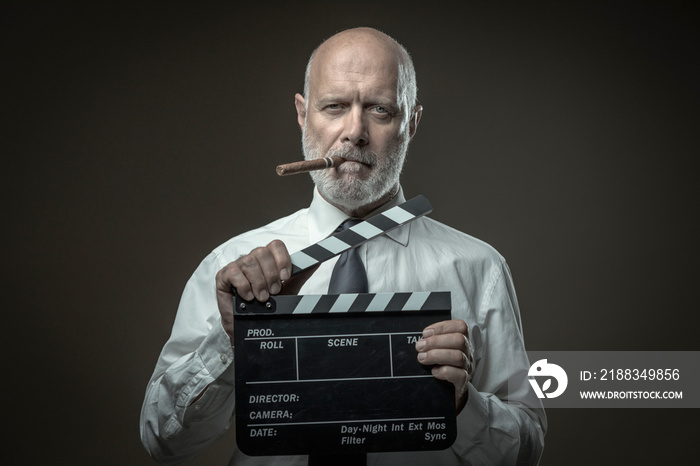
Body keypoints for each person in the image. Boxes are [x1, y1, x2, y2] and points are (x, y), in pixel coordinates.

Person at [140, 27, 546, 465]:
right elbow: (163, 443)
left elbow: (526, 453)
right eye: (334, 106)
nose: (355, 132)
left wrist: (464, 406)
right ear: (302, 113)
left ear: (411, 121)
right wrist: (229, 341)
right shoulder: (232, 269)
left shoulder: (479, 267)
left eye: (380, 110)